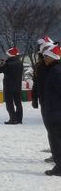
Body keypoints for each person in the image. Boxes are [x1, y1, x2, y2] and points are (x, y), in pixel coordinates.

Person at [38, 44, 61, 176]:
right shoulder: (54, 69)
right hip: (54, 109)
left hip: (55, 112)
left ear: (52, 57)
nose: (44, 58)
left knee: (56, 139)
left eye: (46, 56)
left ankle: (59, 167)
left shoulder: (56, 71)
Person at [0, 47, 24, 125]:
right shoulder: (20, 62)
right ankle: (19, 119)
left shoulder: (8, 63)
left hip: (9, 85)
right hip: (18, 85)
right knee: (18, 102)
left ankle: (13, 119)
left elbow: (0, 70)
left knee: (9, 102)